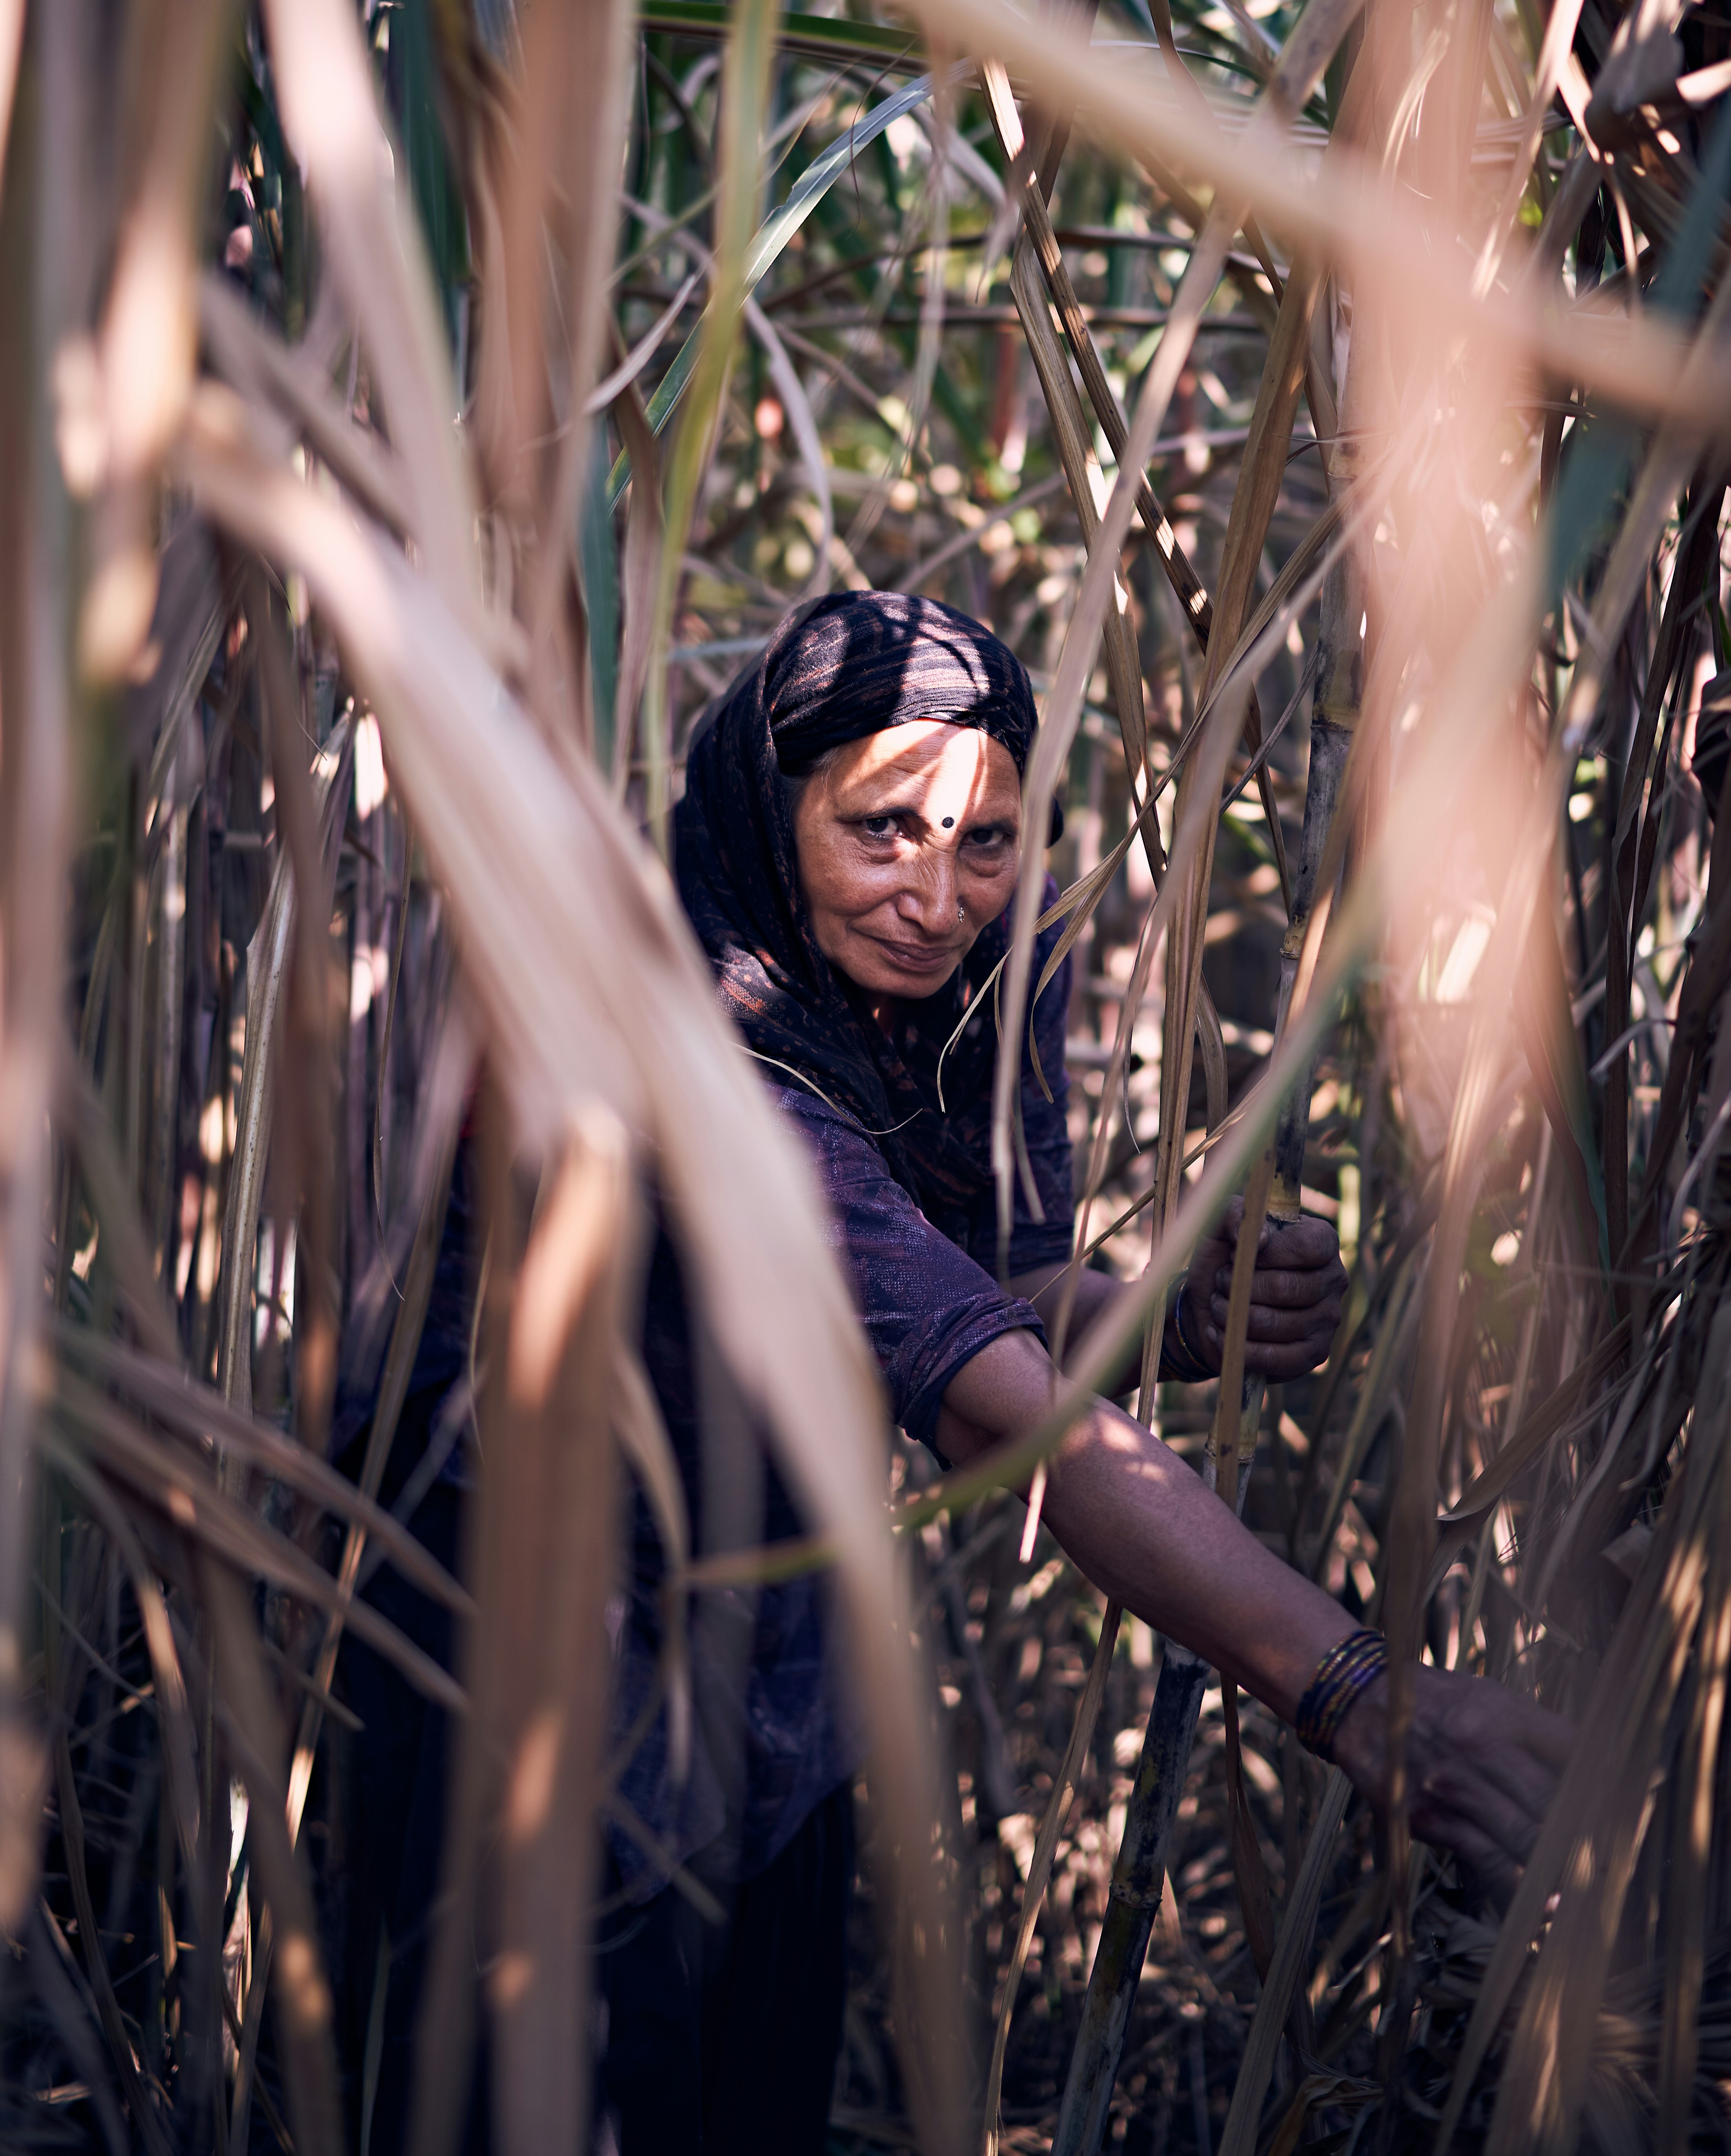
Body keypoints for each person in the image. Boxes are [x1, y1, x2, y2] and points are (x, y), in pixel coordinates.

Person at [339, 590, 1568, 2156]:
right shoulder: (667, 1033)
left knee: (742, 2098)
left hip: (767, 1628)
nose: (936, 891)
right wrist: (1358, 1700)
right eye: (880, 829)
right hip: (519, 1630)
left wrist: (1173, 1319)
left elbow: (1003, 1282)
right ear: (771, 816)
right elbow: (1004, 1401)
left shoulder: (986, 954)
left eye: (983, 836)